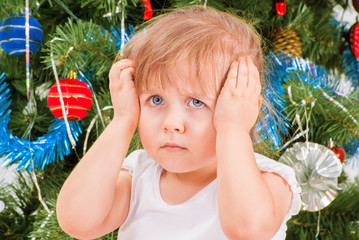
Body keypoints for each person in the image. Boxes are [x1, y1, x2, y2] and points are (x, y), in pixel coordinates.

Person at [56, 6, 301, 240]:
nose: (172, 124)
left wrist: (233, 129)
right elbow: (78, 221)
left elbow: (247, 230)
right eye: (156, 99)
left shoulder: (271, 181)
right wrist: (123, 120)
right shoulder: (138, 177)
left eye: (196, 102)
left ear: (244, 108)